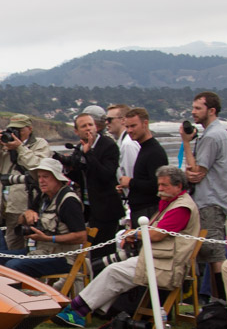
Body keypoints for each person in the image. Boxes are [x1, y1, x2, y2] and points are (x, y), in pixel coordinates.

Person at [54, 166, 200, 328]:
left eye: (164, 185)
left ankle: (77, 311)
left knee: (114, 271)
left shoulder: (181, 208)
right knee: (114, 270)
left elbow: (157, 235)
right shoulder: (172, 204)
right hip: (157, 260)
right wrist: (135, 234)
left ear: (178, 186)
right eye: (159, 185)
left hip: (165, 265)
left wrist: (134, 234)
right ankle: (78, 309)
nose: (160, 189)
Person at [0, 157, 88, 278]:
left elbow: (81, 237)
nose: (41, 181)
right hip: (39, 252)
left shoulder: (69, 201)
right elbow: (20, 222)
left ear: (57, 178)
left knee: (13, 265)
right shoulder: (43, 197)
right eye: (39, 177)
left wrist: (49, 238)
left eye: (46, 177)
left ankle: (18, 296)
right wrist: (26, 215)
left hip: (62, 258)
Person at [181, 91, 227, 299]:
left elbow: (196, 173)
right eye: (192, 108)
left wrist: (185, 142)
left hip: (209, 201)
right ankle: (216, 301)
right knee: (212, 254)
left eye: (197, 108)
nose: (193, 112)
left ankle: (220, 303)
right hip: (213, 199)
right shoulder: (217, 133)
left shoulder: (211, 136)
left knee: (214, 255)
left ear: (211, 110)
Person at [0, 114, 52, 250]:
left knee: (32, 245)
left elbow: (38, 166)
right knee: (11, 245)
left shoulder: (39, 144)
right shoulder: (4, 146)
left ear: (30, 128)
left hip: (25, 205)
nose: (16, 133)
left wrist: (20, 147)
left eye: (20, 130)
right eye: (13, 130)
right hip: (4, 206)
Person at [61, 112, 122, 259]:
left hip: (106, 208)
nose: (88, 129)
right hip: (89, 207)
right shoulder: (79, 148)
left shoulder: (108, 145)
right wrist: (67, 167)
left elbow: (106, 175)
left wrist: (89, 155)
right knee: (92, 252)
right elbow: (81, 177)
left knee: (103, 253)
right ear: (77, 131)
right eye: (84, 126)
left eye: (91, 125)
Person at [118, 107, 168, 226]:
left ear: (145, 124)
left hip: (148, 211)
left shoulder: (154, 152)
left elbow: (157, 185)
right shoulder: (144, 149)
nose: (129, 130)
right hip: (140, 210)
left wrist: (130, 182)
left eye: (133, 126)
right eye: (127, 127)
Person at [105, 103, 139, 194]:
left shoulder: (128, 144)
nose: (106, 123)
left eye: (109, 119)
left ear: (123, 120)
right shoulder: (122, 143)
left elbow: (132, 177)